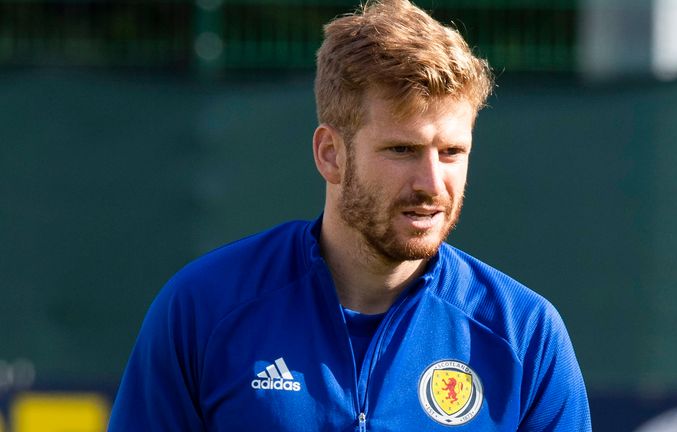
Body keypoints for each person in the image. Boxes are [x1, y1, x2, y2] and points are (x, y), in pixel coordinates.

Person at [108, 0, 591, 430]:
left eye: (451, 152)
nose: (430, 183)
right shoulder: (204, 308)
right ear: (330, 154)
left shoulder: (523, 335)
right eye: (402, 149)